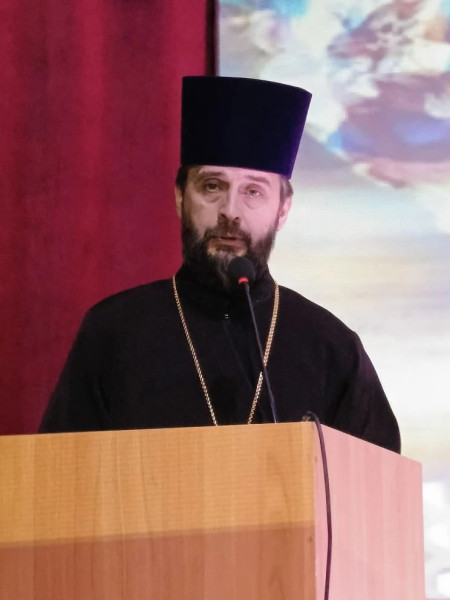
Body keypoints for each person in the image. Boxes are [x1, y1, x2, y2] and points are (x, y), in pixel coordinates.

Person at [39, 76, 401, 453]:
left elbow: (377, 479)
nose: (230, 211)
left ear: (283, 210)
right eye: (212, 186)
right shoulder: (114, 331)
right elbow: (59, 469)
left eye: (253, 191)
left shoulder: (330, 346)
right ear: (180, 198)